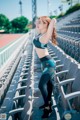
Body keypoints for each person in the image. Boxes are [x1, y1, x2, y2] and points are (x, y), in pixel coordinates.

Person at [33, 16, 57, 118]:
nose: (38, 24)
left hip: (49, 64)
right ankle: (48, 103)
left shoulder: (45, 36)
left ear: (46, 25)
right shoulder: (40, 34)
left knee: (41, 85)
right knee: (49, 85)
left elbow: (53, 22)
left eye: (41, 23)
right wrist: (40, 21)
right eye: (38, 22)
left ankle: (48, 108)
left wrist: (50, 21)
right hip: (44, 63)